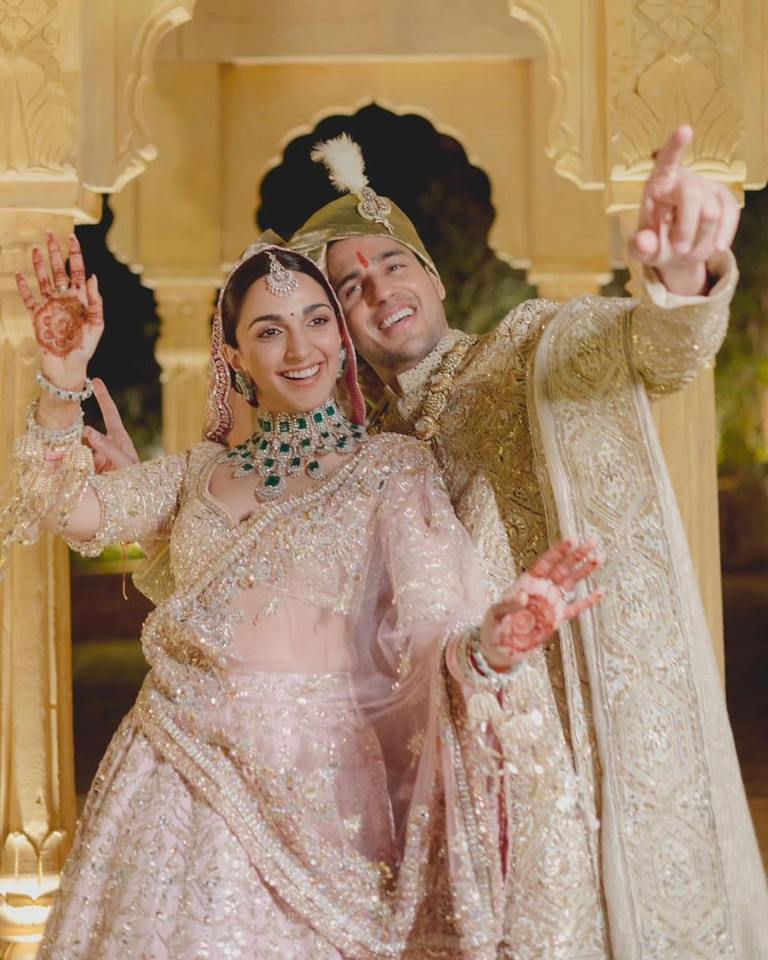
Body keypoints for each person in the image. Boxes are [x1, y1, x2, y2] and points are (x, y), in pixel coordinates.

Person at [0, 233, 605, 959]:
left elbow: (433, 624)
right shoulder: (196, 475)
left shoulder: (390, 469)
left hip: (319, 794)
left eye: (317, 320)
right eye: (269, 330)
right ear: (233, 356)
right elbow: (62, 506)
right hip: (172, 772)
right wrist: (62, 375)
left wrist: (490, 647)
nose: (299, 348)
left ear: (343, 340)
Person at [285, 127, 768, 957]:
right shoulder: (355, 464)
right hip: (454, 773)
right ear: (340, 330)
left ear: (434, 278)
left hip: (588, 728)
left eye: (394, 264)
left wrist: (682, 277)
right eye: (351, 287)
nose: (381, 289)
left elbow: (656, 348)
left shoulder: (531, 348)